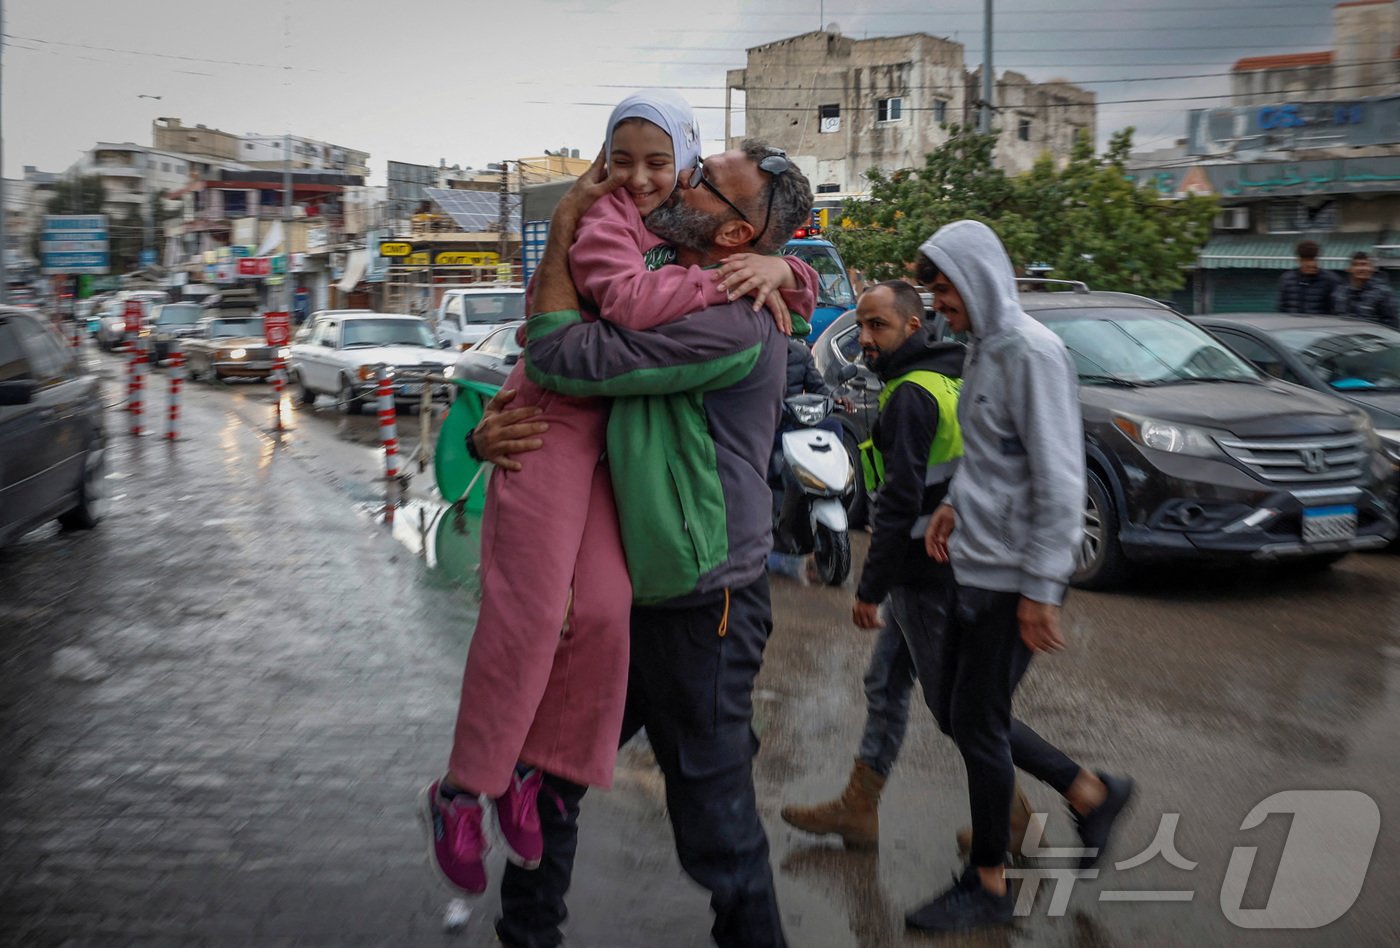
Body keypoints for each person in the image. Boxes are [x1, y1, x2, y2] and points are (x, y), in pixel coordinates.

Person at [419, 93, 816, 899]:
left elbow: (566, 356)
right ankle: (505, 868)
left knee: (717, 827)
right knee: (553, 764)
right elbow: (556, 371)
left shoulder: (738, 312)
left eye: (697, 178)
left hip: (707, 601)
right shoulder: (671, 258)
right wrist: (483, 434)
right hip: (635, 568)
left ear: (737, 234)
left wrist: (789, 270)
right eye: (687, 171)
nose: (675, 186)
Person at [912, 220, 1134, 933]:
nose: (938, 302)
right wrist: (952, 506)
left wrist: (1043, 587)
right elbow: (992, 456)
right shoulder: (984, 349)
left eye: (944, 287)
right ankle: (1090, 792)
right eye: (935, 290)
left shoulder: (1035, 354)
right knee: (956, 710)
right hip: (979, 560)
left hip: (1016, 575)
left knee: (975, 723)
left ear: (976, 278)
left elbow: (1060, 476)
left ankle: (989, 882)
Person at [1332, 251, 1398, 329]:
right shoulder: (1339, 293)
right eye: (1356, 265)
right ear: (1349, 269)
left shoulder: (1383, 293)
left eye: (1365, 264)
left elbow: (1393, 323)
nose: (1361, 268)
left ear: (1372, 269)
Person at [1277, 239, 1341, 315]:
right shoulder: (1287, 279)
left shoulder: (1331, 280)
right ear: (1299, 260)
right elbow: (1281, 308)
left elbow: (1336, 310)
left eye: (1314, 259)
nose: (1312, 264)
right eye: (1307, 260)